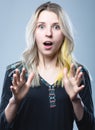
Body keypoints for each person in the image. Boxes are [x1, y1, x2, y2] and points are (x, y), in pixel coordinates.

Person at [0, 1, 94, 130]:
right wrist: (15, 102)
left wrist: (76, 100)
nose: (48, 33)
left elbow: (89, 127)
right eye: (41, 26)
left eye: (56, 27)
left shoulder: (77, 74)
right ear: (34, 31)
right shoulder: (15, 73)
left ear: (64, 33)